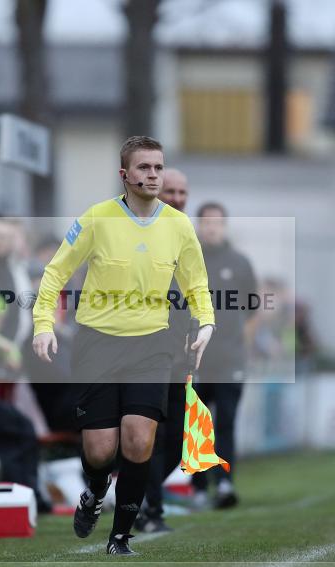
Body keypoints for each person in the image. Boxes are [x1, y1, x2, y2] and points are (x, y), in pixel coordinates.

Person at [32, 136, 215, 555]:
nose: (153, 175)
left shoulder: (179, 226)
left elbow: (197, 283)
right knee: (100, 451)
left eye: (158, 167)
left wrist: (206, 321)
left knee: (139, 440)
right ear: (124, 175)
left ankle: (121, 537)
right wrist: (44, 324)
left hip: (152, 344)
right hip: (97, 343)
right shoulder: (97, 219)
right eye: (144, 168)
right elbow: (55, 274)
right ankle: (95, 492)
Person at [136, 167, 194, 533]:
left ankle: (141, 497)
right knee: (153, 437)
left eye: (181, 192)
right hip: (147, 352)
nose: (176, 197)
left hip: (182, 355)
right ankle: (150, 511)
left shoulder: (187, 236)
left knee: (179, 439)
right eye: (169, 191)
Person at [189, 202, 257, 509]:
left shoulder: (240, 263)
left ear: (224, 226)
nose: (211, 228)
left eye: (216, 223)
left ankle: (226, 483)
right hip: (195, 357)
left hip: (230, 358)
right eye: (206, 222)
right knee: (196, 424)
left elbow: (253, 308)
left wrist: (244, 342)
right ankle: (200, 487)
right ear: (199, 226)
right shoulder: (187, 260)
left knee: (226, 421)